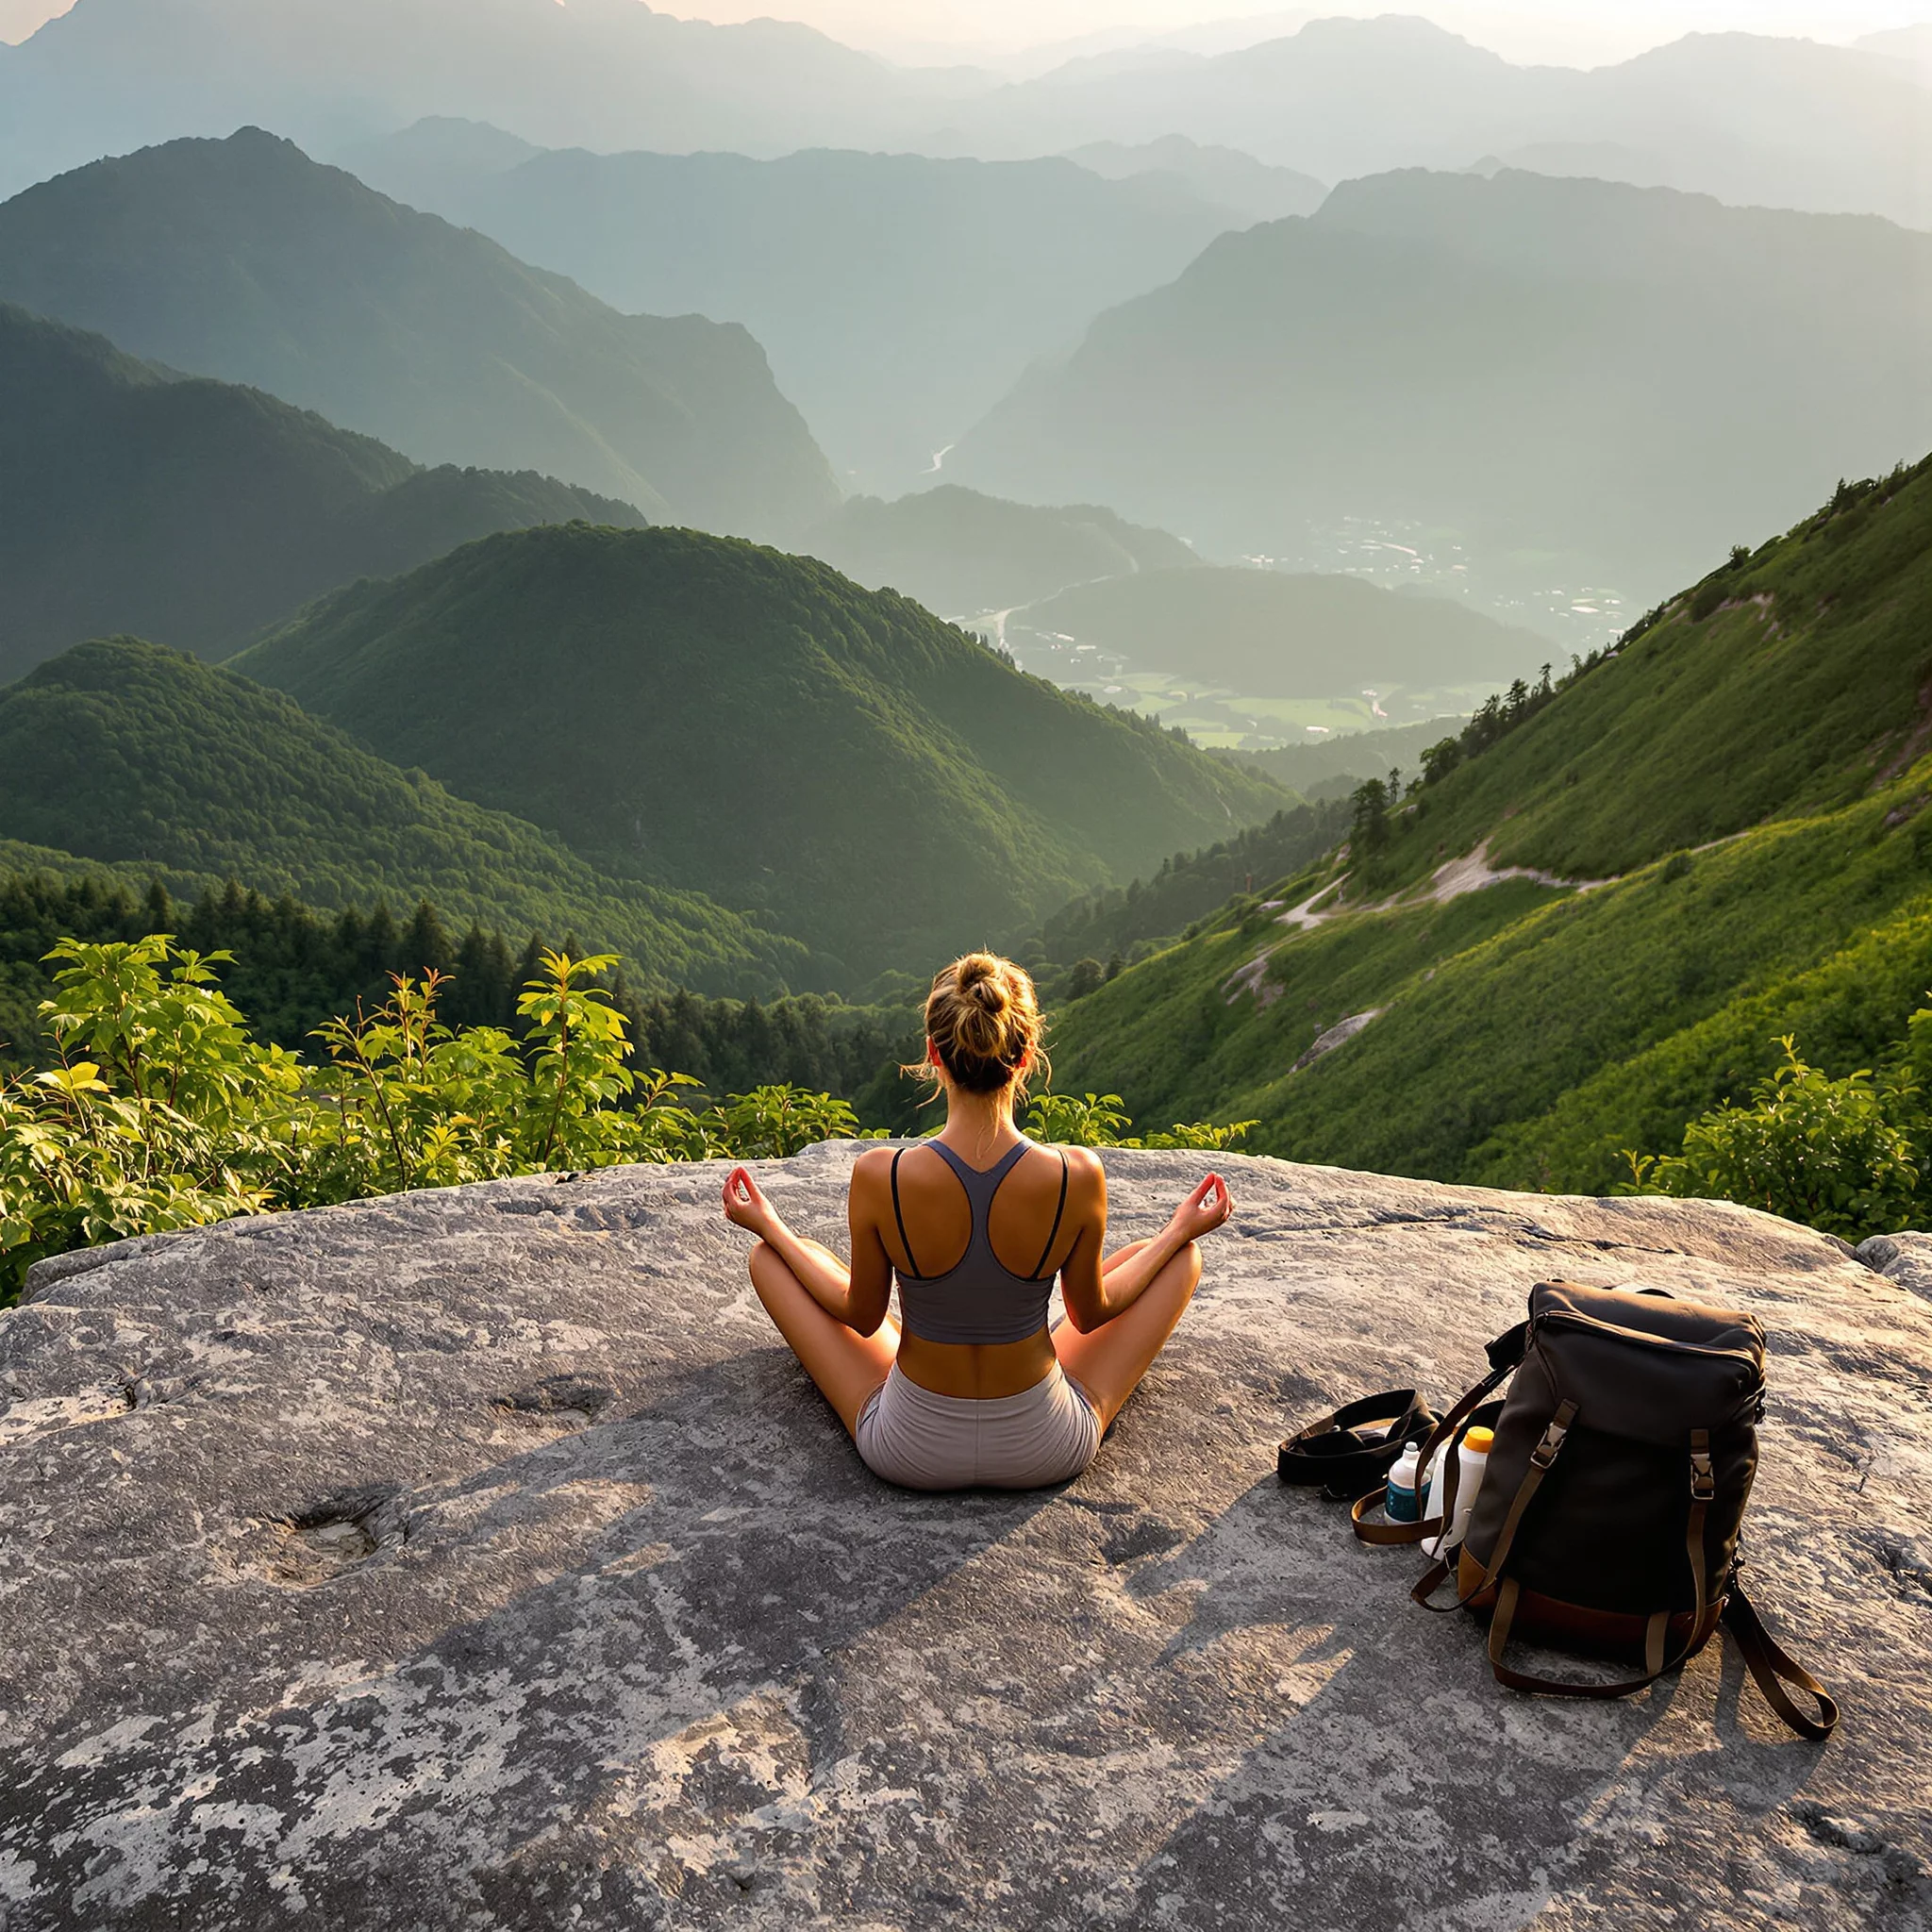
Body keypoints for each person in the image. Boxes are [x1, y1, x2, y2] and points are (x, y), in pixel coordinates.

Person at [721, 951, 1234, 1490]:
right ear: (1027, 1055)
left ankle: (912, 1340)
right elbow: (1089, 1313)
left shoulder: (881, 1175)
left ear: (932, 1054)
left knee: (781, 1256)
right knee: (1171, 1256)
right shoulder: (1077, 1174)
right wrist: (1180, 1230)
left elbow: (862, 1315)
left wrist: (770, 1226)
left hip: (909, 1449)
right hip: (1045, 1446)